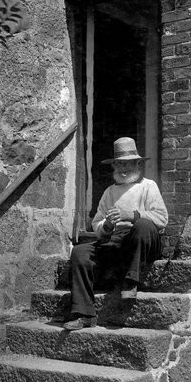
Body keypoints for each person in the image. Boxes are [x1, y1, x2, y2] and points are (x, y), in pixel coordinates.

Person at [64, 137, 168, 331]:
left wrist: (132, 215)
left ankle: (130, 282)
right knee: (79, 252)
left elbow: (161, 219)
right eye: (120, 164)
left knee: (143, 225)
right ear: (114, 165)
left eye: (128, 163)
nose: (123, 169)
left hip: (141, 242)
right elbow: (97, 224)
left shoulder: (148, 186)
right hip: (115, 242)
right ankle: (84, 313)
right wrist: (108, 225)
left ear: (138, 163)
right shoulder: (110, 192)